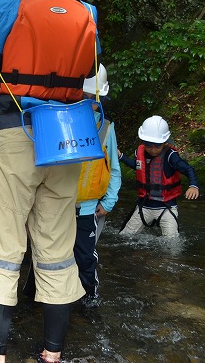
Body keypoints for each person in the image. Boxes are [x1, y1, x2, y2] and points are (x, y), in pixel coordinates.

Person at [0, 0, 99, 363]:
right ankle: (52, 353)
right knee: (58, 246)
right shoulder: (88, 11)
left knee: (3, 245)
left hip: (16, 133)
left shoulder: (1, 4)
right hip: (68, 138)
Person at [73, 65, 121, 308]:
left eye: (91, 99)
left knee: (84, 256)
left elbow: (113, 169)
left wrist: (108, 201)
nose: (86, 102)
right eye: (82, 97)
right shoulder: (61, 122)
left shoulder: (105, 128)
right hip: (58, 206)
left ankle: (90, 299)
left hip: (88, 208)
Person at [119, 115, 199, 238]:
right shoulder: (140, 153)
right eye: (148, 145)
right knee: (124, 237)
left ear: (164, 142)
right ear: (143, 142)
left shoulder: (171, 156)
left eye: (157, 146)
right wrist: (121, 157)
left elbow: (188, 169)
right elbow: (137, 166)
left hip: (167, 207)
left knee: (172, 244)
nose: (152, 150)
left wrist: (193, 185)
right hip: (145, 205)